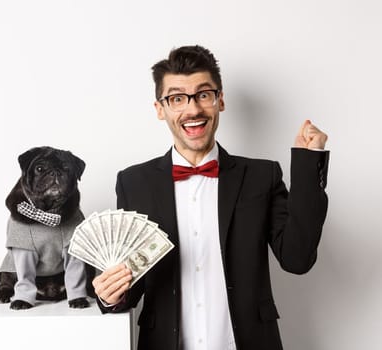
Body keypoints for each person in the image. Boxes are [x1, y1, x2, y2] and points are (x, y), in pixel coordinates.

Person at [92, 45, 329, 350]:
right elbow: (131, 284)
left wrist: (310, 164)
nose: (192, 110)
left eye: (203, 94)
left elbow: (298, 259)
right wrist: (111, 295)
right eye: (177, 98)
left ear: (220, 100)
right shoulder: (134, 182)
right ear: (160, 109)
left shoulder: (261, 176)